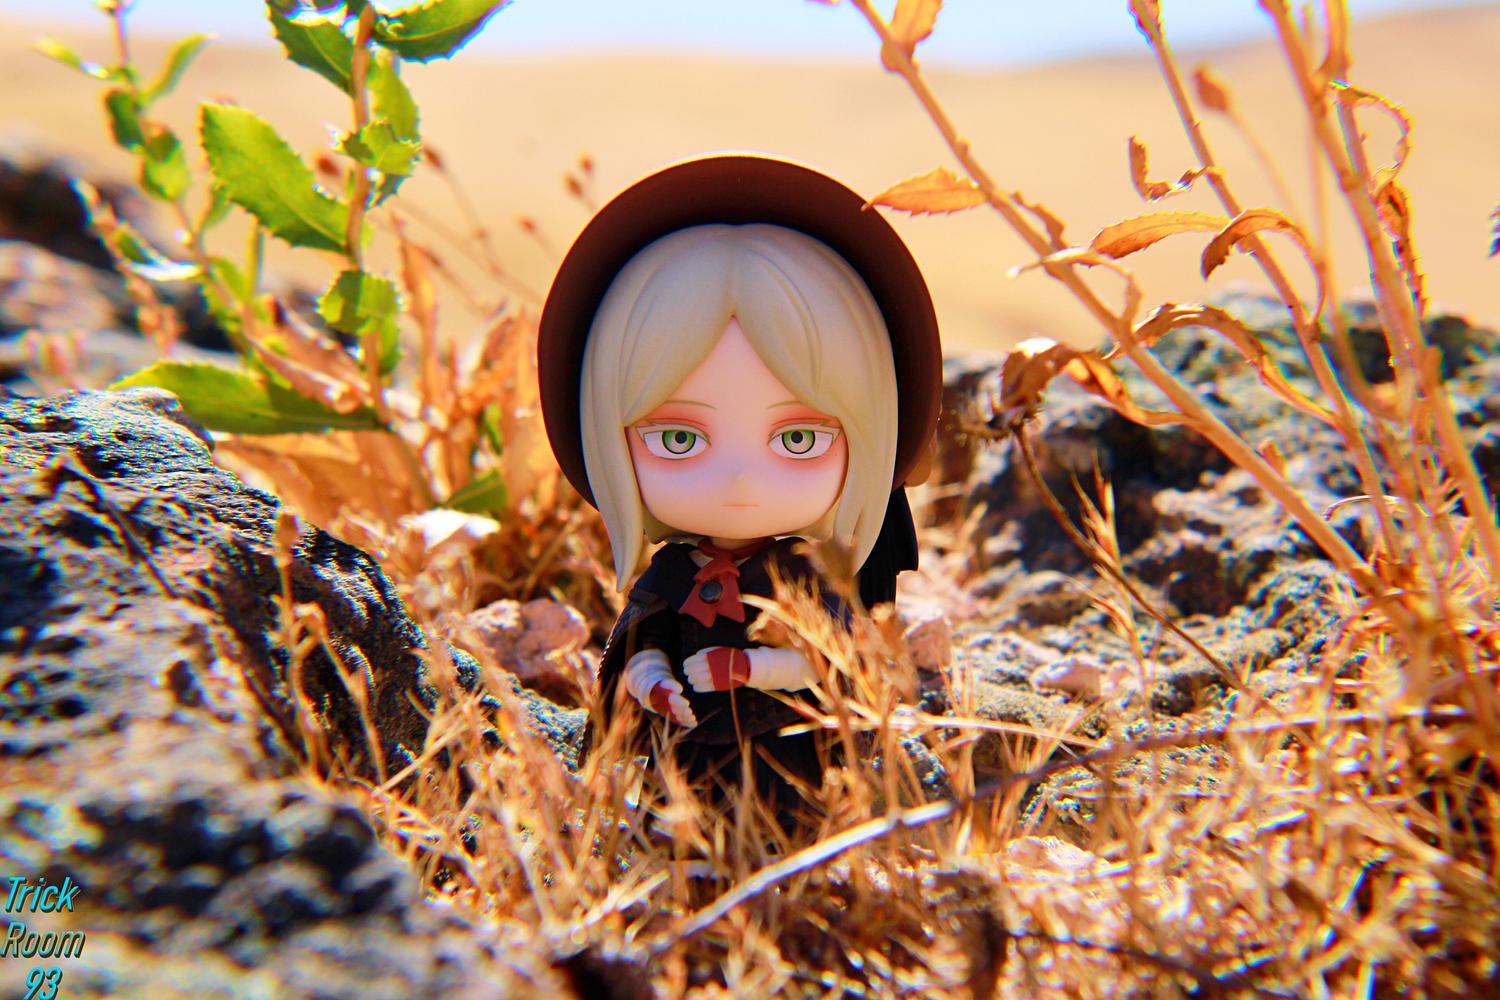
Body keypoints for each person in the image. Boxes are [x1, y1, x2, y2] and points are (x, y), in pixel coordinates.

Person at [537, 154, 941, 826]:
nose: (740, 479)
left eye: (799, 438)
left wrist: (749, 669)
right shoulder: (669, 577)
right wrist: (652, 683)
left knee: (782, 820)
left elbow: (828, 662)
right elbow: (638, 652)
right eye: (678, 439)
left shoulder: (803, 576)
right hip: (686, 754)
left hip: (786, 754)